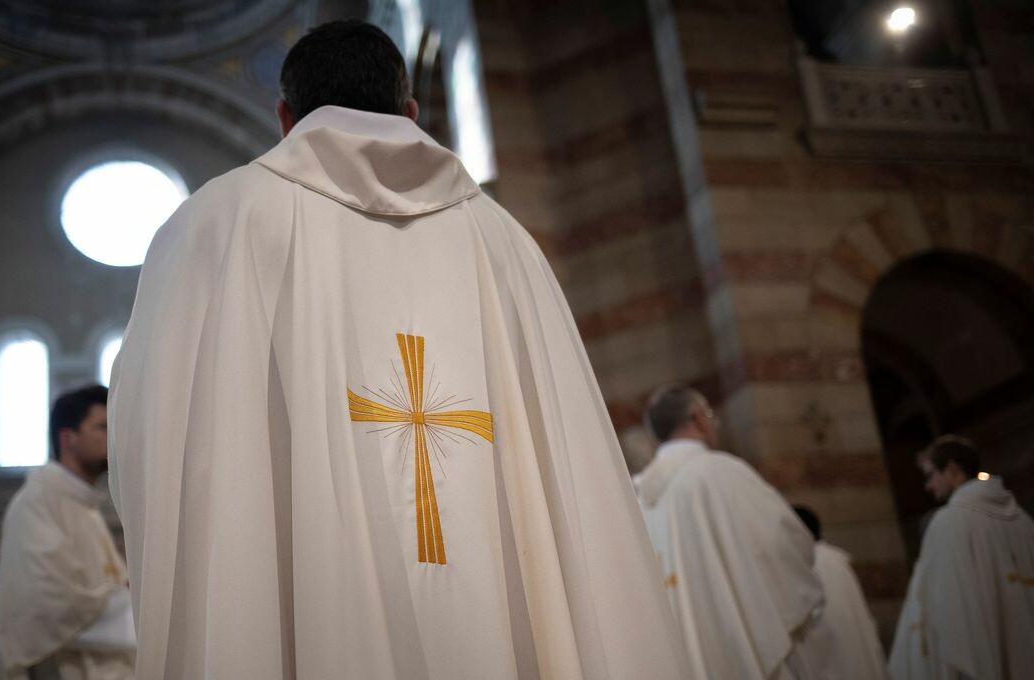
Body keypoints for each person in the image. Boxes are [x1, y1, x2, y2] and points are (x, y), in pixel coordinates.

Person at [108, 19, 692, 680]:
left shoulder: (213, 223)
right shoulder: (505, 241)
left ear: (284, 117)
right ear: (411, 112)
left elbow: (146, 445)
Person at [632, 384, 832, 679]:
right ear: (699, 419)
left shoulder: (634, 496)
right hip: (738, 649)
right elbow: (785, 544)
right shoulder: (720, 472)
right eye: (710, 416)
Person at [0, 385, 136, 680]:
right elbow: (50, 606)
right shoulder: (37, 503)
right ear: (68, 439)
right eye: (103, 428)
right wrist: (145, 612)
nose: (113, 438)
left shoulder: (85, 507)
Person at [889, 435, 1034, 679]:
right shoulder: (1022, 519)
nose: (928, 486)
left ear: (953, 470)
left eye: (931, 474)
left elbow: (949, 611)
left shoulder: (949, 521)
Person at [793, 505, 889, 680]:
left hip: (834, 662)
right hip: (856, 655)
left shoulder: (810, 563)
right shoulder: (836, 559)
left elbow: (816, 625)